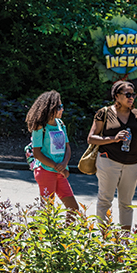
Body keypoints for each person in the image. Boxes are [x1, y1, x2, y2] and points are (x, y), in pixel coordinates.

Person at [87, 80, 137, 229]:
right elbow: (91, 138)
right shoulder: (104, 113)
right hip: (108, 161)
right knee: (105, 200)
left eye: (133, 94)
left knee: (126, 203)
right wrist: (113, 139)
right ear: (116, 96)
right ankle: (104, 239)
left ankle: (125, 242)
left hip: (132, 164)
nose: (131, 98)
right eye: (127, 94)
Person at [24, 90, 80, 219]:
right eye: (59, 107)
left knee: (73, 208)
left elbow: (67, 147)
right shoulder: (40, 127)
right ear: (50, 108)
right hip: (45, 171)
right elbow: (37, 153)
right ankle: (43, 237)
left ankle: (66, 237)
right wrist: (56, 166)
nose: (62, 109)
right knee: (47, 211)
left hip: (59, 170)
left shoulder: (61, 124)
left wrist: (64, 165)